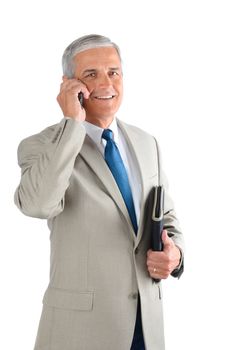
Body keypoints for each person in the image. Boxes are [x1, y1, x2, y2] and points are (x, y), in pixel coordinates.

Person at [14, 34, 184, 350]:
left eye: (113, 72)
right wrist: (72, 124)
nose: (106, 82)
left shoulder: (147, 143)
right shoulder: (41, 146)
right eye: (91, 74)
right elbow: (37, 204)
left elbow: (167, 217)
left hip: (146, 326)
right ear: (68, 85)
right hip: (79, 333)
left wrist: (175, 255)